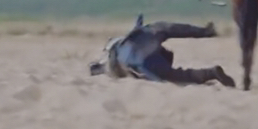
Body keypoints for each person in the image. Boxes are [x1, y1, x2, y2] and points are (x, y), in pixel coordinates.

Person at [88, 14, 236, 87]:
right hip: (143, 38)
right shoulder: (119, 45)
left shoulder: (115, 62)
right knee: (171, 28)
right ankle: (206, 31)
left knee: (179, 75)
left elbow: (104, 67)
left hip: (141, 61)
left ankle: (211, 73)